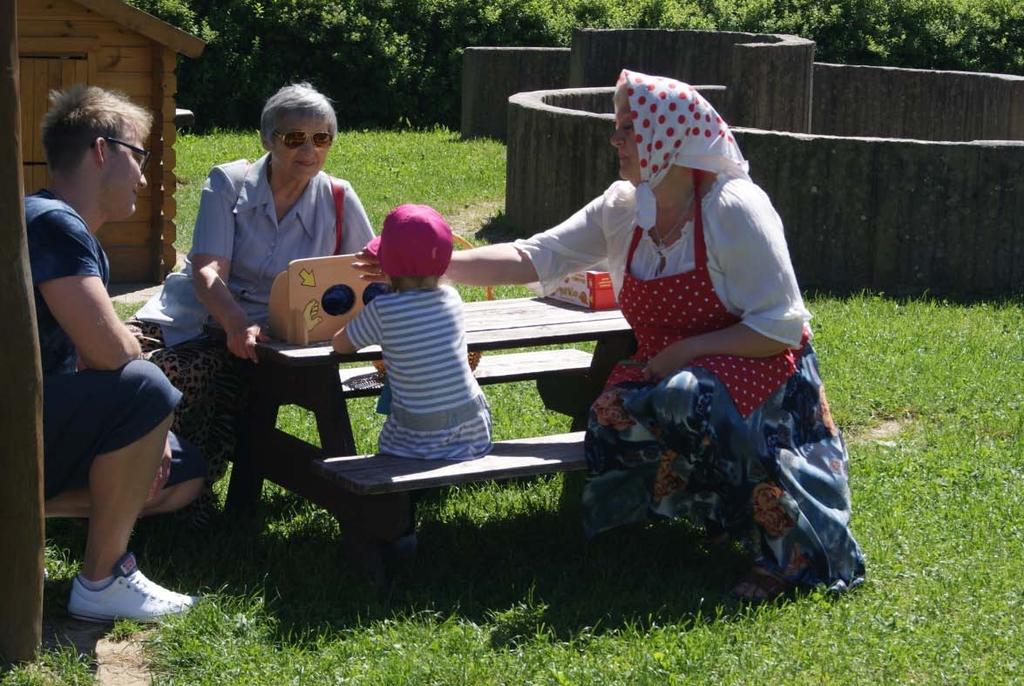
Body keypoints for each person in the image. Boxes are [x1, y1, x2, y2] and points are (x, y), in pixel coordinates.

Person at [358, 70, 866, 601]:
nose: (615, 138)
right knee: (609, 415)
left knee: (686, 399)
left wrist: (687, 352)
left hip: (765, 372)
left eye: (629, 127)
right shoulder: (625, 207)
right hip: (671, 367)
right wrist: (429, 267)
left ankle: (789, 557)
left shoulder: (731, 207)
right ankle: (707, 518)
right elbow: (536, 255)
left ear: (668, 134)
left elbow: (780, 328)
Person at [131, 83, 374, 523]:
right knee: (117, 366)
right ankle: (120, 489)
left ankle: (174, 497)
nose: (310, 149)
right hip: (199, 316)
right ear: (267, 138)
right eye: (294, 137)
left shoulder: (339, 197)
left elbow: (374, 270)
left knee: (173, 377)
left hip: (269, 337)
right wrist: (236, 321)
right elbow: (207, 271)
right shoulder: (229, 182)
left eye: (321, 138)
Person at [26, 85, 206, 621]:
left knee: (186, 472)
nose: (146, 178)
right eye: (140, 157)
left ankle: (19, 518)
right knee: (146, 388)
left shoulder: (55, 226)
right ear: (102, 151)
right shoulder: (53, 224)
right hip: (17, 426)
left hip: (32, 419)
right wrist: (138, 373)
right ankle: (102, 580)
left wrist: (154, 443)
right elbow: (109, 354)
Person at [333, 204, 493, 460]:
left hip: (417, 440)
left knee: (396, 435)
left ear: (385, 265)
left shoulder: (382, 309)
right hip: (472, 431)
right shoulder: (452, 298)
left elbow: (341, 345)